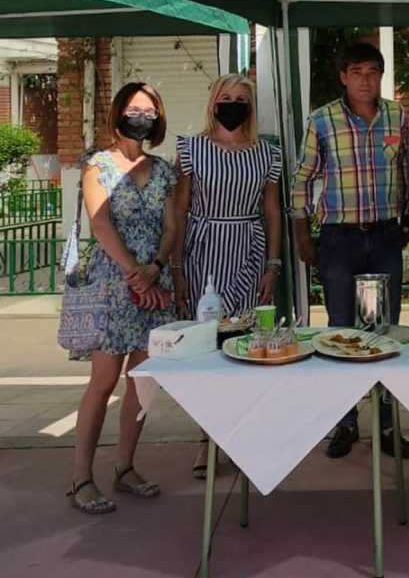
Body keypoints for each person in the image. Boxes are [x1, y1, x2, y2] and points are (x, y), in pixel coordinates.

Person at [291, 43, 409, 460]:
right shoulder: (322, 119)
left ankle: (387, 424)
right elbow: (302, 179)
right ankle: (345, 423)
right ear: (343, 76)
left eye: (373, 71)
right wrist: (302, 236)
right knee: (341, 328)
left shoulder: (396, 115)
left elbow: (406, 172)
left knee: (385, 330)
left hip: (384, 236)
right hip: (338, 238)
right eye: (357, 71)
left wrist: (406, 221)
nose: (366, 79)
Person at [69, 82, 177, 514]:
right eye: (133, 109)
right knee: (103, 381)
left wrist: (157, 266)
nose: (141, 117)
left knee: (142, 381)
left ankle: (125, 466)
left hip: (151, 282)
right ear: (118, 113)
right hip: (114, 286)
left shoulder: (163, 169)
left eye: (149, 111)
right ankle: (81, 478)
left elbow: (171, 227)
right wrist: (137, 274)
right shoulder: (97, 164)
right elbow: (101, 225)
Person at [172, 74, 283, 479]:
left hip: (249, 248)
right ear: (212, 103)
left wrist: (273, 264)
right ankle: (206, 440)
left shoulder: (266, 154)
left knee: (245, 345)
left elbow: (272, 213)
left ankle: (240, 435)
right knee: (208, 346)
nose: (233, 104)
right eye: (226, 97)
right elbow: (178, 211)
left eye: (240, 98)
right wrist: (178, 267)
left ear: (251, 106)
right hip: (203, 251)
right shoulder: (190, 149)